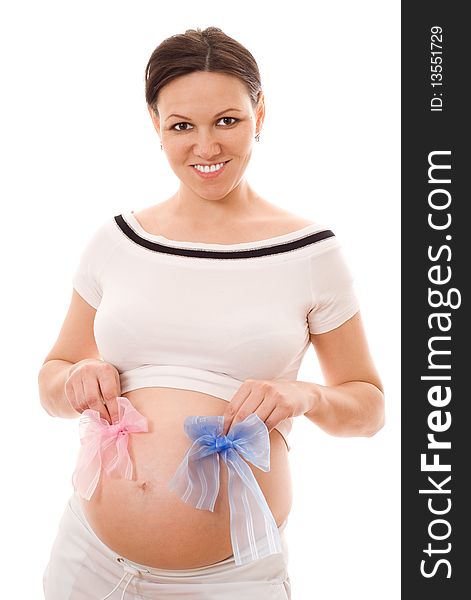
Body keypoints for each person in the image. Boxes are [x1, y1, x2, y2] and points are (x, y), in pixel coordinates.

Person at [39, 25, 384, 600]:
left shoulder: (310, 253)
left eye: (228, 120)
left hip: (232, 581)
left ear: (260, 113)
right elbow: (51, 379)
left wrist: (307, 395)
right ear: (156, 125)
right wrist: (74, 377)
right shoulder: (117, 240)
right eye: (181, 126)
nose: (206, 148)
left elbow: (368, 408)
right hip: (89, 564)